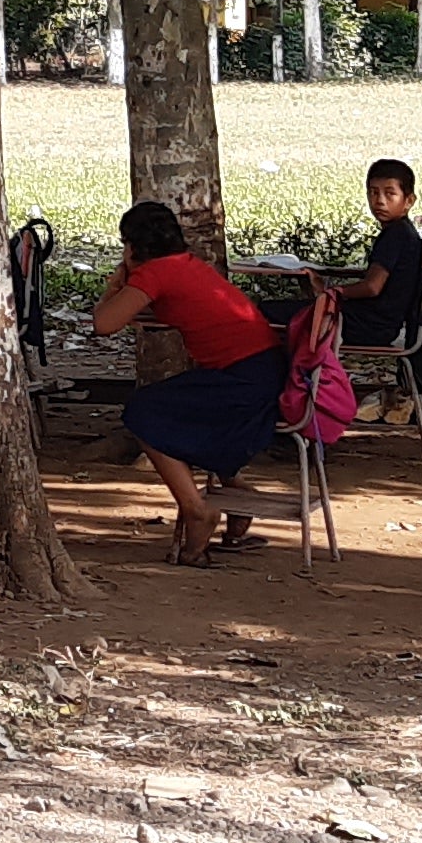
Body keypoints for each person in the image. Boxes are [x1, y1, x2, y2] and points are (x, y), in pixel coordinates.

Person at [86, 199, 283, 567]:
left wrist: (115, 285)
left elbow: (104, 323)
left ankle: (196, 509)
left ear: (131, 247)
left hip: (242, 380)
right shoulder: (187, 265)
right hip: (265, 371)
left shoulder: (154, 274)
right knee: (185, 404)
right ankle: (234, 494)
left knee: (145, 411)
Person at [325, 158, 422, 387]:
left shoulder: (394, 236)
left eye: (389, 194)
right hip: (385, 322)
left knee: (278, 316)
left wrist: (331, 292)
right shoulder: (407, 233)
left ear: (409, 201)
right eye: (373, 193)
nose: (379, 201)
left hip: (371, 326)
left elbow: (372, 286)